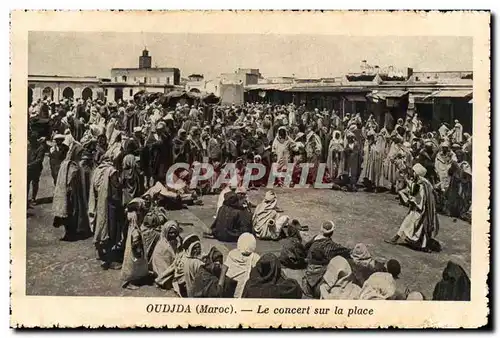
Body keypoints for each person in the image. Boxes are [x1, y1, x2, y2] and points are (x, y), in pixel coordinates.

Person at [386, 163, 440, 252]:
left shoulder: (421, 185)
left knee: (410, 226)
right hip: (418, 210)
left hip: (419, 211)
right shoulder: (422, 183)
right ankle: (397, 239)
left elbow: (414, 195)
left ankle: (396, 239)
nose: (412, 173)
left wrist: (404, 194)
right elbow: (412, 186)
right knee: (411, 227)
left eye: (413, 172)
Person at [89, 156, 124, 269]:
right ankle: (110, 260)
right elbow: (115, 188)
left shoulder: (97, 170)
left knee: (100, 227)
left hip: (99, 204)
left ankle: (100, 253)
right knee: (111, 231)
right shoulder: (111, 171)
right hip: (110, 205)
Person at [52, 141, 91, 241]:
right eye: (79, 154)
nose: (81, 156)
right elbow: (70, 180)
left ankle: (70, 232)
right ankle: (70, 233)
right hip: (71, 193)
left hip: (68, 192)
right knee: (71, 213)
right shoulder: (72, 166)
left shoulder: (65, 164)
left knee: (70, 214)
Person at [224, 233, 261, 298]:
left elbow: (225, 267)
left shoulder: (232, 253)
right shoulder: (256, 258)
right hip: (243, 293)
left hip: (229, 289)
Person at [121, 208, 149, 290]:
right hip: (135, 251)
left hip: (131, 249)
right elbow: (135, 243)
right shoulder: (135, 231)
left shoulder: (130, 228)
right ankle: (130, 282)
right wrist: (139, 251)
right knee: (133, 266)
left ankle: (135, 279)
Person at [151, 220, 183, 289]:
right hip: (163, 271)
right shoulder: (162, 246)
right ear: (166, 233)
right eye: (170, 233)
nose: (173, 235)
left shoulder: (176, 241)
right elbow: (162, 266)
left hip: (172, 268)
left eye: (174, 233)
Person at [27, 135, 46, 205]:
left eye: (32, 141)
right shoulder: (28, 146)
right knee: (27, 183)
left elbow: (39, 160)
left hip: (36, 169)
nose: (31, 142)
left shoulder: (41, 148)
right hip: (28, 169)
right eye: (30, 141)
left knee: (35, 183)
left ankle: (33, 198)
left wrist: (29, 165)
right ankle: (26, 198)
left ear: (35, 140)